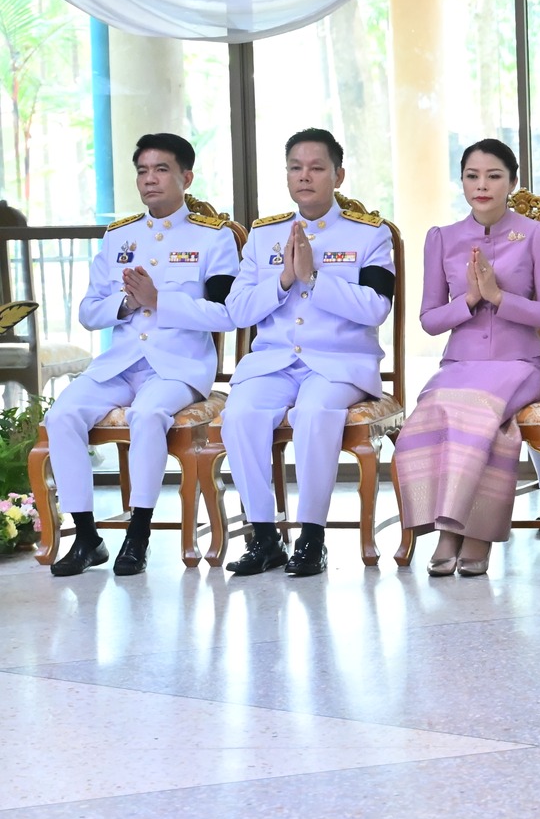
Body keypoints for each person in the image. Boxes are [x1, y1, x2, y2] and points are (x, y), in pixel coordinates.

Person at [45, 135, 238, 577]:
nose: (149, 180)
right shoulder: (119, 236)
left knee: (148, 414)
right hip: (120, 364)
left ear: (186, 178)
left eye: (161, 170)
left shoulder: (214, 239)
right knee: (62, 415)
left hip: (178, 367)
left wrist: (157, 300)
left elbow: (227, 314)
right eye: (142, 171)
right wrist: (128, 304)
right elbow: (89, 313)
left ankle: (138, 534)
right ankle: (88, 537)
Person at [221, 129, 396, 577]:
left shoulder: (369, 234)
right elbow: (238, 309)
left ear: (338, 175)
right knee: (239, 412)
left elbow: (376, 307)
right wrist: (282, 281)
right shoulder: (263, 237)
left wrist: (316, 279)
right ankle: (264, 536)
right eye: (296, 168)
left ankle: (312, 537)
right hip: (276, 361)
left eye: (317, 168)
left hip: (339, 363)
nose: (305, 176)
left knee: (315, 412)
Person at [392, 140, 540, 577]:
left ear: (512, 181)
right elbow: (430, 320)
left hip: (519, 364)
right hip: (459, 365)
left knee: (479, 413)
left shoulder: (537, 234)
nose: (482, 185)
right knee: (433, 412)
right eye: (472, 175)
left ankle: (472, 535)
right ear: (462, 181)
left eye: (493, 176)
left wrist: (499, 297)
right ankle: (450, 528)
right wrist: (468, 301)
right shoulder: (442, 239)